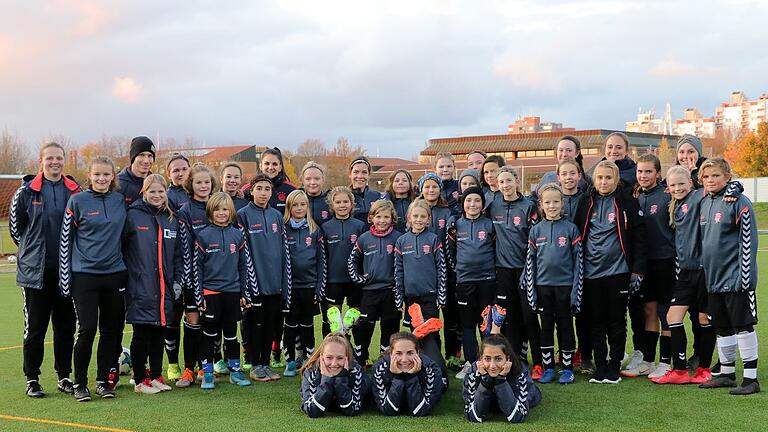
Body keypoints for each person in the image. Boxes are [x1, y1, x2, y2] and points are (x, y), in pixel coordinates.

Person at [11, 142, 81, 398]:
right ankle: (32, 378)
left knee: (65, 327)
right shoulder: (26, 191)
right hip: (35, 273)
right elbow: (16, 231)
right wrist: (32, 253)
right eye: (50, 158)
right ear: (41, 161)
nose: (55, 162)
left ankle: (64, 375)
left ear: (64, 161)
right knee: (36, 328)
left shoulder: (76, 190)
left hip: (67, 272)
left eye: (59, 158)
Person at [59, 156, 128, 401]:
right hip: (84, 276)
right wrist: (65, 279)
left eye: (106, 175)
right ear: (89, 176)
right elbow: (65, 241)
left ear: (113, 177)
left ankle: (102, 382)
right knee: (87, 329)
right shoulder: (77, 201)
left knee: (110, 331)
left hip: (115, 275)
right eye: (97, 174)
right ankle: (80, 383)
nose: (101, 179)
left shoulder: (120, 201)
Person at [574, 160, 646, 385]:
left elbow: (639, 238)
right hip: (591, 273)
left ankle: (614, 366)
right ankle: (600, 366)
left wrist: (637, 271)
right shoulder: (586, 201)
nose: (603, 182)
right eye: (600, 178)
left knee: (616, 320)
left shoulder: (628, 202)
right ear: (594, 179)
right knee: (596, 321)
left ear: (616, 180)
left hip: (619, 271)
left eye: (608, 178)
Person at [697, 158, 760, 395]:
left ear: (728, 177)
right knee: (721, 327)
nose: (711, 180)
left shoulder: (739, 202)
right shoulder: (705, 203)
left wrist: (744, 278)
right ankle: (726, 373)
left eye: (715, 175)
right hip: (714, 280)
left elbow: (748, 242)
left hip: (736, 279)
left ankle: (751, 379)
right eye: (706, 177)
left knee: (743, 326)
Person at [123, 175, 188, 394]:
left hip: (165, 288)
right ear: (144, 192)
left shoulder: (171, 218)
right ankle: (140, 380)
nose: (157, 196)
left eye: (161, 192)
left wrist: (178, 281)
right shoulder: (132, 215)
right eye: (152, 191)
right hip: (140, 286)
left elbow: (178, 254)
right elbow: (121, 249)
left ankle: (157, 375)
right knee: (141, 332)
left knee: (159, 333)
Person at [654, 165, 716, 385]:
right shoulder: (675, 206)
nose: (678, 188)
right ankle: (679, 371)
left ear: (691, 183)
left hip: (704, 271)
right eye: (673, 185)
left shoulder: (699, 196)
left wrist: (735, 188)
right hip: (685, 273)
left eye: (681, 183)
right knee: (673, 317)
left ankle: (704, 369)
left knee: (702, 318)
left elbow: (717, 187)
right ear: (668, 187)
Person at [522, 183, 583, 384]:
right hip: (543, 287)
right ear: (541, 204)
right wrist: (532, 291)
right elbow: (529, 263)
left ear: (562, 203)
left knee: (565, 326)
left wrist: (576, 292)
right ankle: (548, 368)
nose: (552, 206)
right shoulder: (536, 230)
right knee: (546, 327)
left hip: (565, 287)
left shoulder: (571, 229)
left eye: (556, 201)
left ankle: (567, 368)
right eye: (547, 202)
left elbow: (578, 263)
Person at [486, 166, 542, 379]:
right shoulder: (493, 206)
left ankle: (538, 363)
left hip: (525, 269)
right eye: (501, 182)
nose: (505, 185)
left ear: (517, 181)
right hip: (503, 270)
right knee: (508, 319)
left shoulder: (529, 207)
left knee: (529, 316)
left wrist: (529, 268)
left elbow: (534, 240)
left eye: (509, 181)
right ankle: (516, 361)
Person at [193, 192, 253, 390]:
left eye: (225, 209)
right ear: (211, 211)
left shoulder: (237, 234)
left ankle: (235, 370)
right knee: (209, 334)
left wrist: (244, 293)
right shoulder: (203, 235)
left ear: (231, 212)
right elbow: (197, 268)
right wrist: (198, 295)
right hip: (210, 293)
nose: (221, 213)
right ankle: (208, 373)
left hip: (232, 292)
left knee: (231, 334)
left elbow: (244, 266)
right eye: (217, 209)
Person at [623, 154, 674, 380]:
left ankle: (665, 361)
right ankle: (647, 360)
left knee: (665, 312)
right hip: (643, 263)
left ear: (658, 174)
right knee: (649, 311)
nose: (643, 176)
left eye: (648, 172)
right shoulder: (634, 196)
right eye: (640, 172)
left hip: (665, 261)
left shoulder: (667, 195)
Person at [237, 174, 290, 382]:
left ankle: (266, 363)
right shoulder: (243, 215)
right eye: (259, 188)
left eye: (267, 189)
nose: (263, 193)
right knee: (254, 324)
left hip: (274, 283)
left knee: (270, 324)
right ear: (251, 191)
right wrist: (249, 283)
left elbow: (283, 250)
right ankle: (254, 363)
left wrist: (284, 282)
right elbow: (243, 251)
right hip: (254, 283)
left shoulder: (277, 215)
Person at [174, 164, 220, 387]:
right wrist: (189, 280)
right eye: (199, 182)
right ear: (190, 184)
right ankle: (188, 369)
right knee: (192, 322)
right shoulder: (185, 211)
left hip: (217, 278)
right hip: (194, 278)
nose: (203, 186)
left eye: (207, 182)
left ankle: (206, 367)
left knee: (210, 325)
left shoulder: (219, 206)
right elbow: (184, 248)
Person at [447, 187, 496, 379]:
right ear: (463, 203)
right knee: (467, 325)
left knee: (486, 324)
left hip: (487, 281)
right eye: (469, 201)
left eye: (477, 200)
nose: (472, 204)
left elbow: (495, 249)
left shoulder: (490, 225)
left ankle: (488, 361)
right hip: (465, 282)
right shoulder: (456, 225)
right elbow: (450, 253)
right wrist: (460, 271)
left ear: (483, 204)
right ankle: (470, 363)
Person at [347, 199, 402, 366]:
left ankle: (385, 361)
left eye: (386, 217)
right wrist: (359, 279)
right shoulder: (364, 239)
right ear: (371, 218)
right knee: (364, 327)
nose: (382, 220)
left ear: (392, 218)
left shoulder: (398, 238)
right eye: (378, 216)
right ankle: (361, 360)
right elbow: (352, 261)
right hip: (369, 291)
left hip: (390, 291)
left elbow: (403, 264)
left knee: (390, 327)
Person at [394, 200, 447, 367]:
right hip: (411, 297)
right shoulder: (402, 241)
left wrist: (441, 294)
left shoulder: (433, 239)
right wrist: (399, 297)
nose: (418, 219)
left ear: (428, 219)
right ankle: (419, 363)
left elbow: (441, 268)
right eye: (415, 216)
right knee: (415, 334)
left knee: (432, 332)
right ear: (409, 217)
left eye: (422, 216)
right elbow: (398, 271)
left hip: (430, 296)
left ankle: (436, 365)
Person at [417, 173, 461, 367]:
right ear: (421, 190)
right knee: (426, 317)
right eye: (427, 187)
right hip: (424, 272)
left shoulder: (447, 213)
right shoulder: (415, 212)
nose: (431, 190)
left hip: (447, 271)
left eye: (434, 186)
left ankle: (452, 354)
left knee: (451, 316)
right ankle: (427, 354)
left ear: (440, 190)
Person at [282, 190, 326, 377]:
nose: (299, 208)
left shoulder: (315, 230)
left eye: (303, 205)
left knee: (308, 325)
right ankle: (290, 361)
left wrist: (319, 287)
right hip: (290, 288)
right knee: (290, 325)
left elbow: (321, 261)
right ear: (289, 208)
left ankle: (309, 360)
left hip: (309, 287)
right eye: (295, 205)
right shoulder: (283, 228)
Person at [557, 158, 591, 373]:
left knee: (583, 313)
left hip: (582, 263)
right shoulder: (552, 199)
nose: (568, 177)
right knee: (560, 315)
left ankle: (586, 355)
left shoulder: (587, 199)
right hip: (557, 268)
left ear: (579, 175)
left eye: (572, 173)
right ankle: (565, 353)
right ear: (558, 176)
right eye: (564, 174)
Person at [462, 334, 541, 423]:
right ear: (481, 358)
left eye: (498, 359)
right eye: (487, 358)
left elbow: (518, 416)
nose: (492, 366)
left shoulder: (519, 370)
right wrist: (486, 381)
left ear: (507, 358)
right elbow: (472, 416)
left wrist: (501, 380)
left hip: (525, 396)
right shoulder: (473, 372)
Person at [322, 187, 366, 339]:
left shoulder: (359, 226)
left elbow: (363, 254)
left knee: (354, 319)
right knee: (333, 320)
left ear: (352, 204)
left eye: (346, 201)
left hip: (354, 279)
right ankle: (330, 352)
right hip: (333, 279)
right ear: (332, 205)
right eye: (338, 202)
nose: (342, 205)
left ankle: (357, 353)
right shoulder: (325, 227)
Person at [372, 332, 446, 416]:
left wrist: (411, 377)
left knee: (442, 378)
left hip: (432, 367)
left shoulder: (431, 368)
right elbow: (388, 410)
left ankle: (426, 332)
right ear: (391, 353)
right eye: (398, 353)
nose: (404, 359)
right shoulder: (380, 367)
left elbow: (420, 410)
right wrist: (398, 377)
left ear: (417, 353)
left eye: (410, 353)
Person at [299, 333, 370, 418]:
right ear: (321, 357)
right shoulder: (311, 372)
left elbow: (352, 410)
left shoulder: (356, 371)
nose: (334, 363)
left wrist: (341, 379)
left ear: (346, 358)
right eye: (329, 357)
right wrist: (326, 380)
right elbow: (312, 411)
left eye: (340, 358)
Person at [118, 136, 156, 207]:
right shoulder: (118, 184)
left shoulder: (156, 182)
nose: (146, 161)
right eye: (141, 155)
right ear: (133, 158)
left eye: (150, 156)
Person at [348, 156, 382, 229]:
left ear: (369, 175)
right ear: (350, 174)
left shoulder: (377, 196)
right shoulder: (344, 197)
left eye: (364, 172)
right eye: (356, 172)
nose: (360, 176)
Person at [384, 169, 415, 234]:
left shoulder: (416, 203)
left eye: (404, 180)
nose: (400, 183)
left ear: (410, 183)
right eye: (397, 181)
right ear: (391, 184)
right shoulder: (385, 204)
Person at [301, 161, 331, 226]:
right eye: (308, 179)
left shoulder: (331, 200)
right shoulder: (296, 200)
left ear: (323, 180)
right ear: (303, 181)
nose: (312, 182)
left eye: (317, 179)